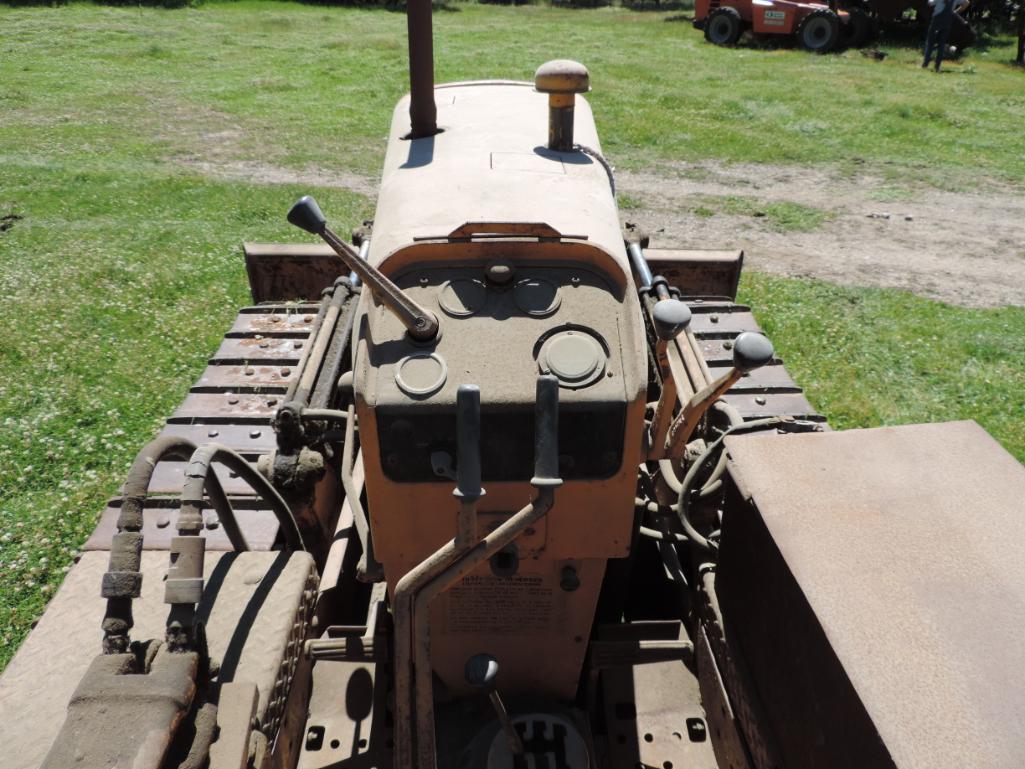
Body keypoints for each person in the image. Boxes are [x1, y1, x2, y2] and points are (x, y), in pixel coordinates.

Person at [922, 0, 969, 71]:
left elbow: (929, 3)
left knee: (930, 43)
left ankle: (925, 64)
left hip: (936, 22)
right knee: (941, 45)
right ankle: (937, 66)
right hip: (947, 23)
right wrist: (956, 12)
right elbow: (966, 2)